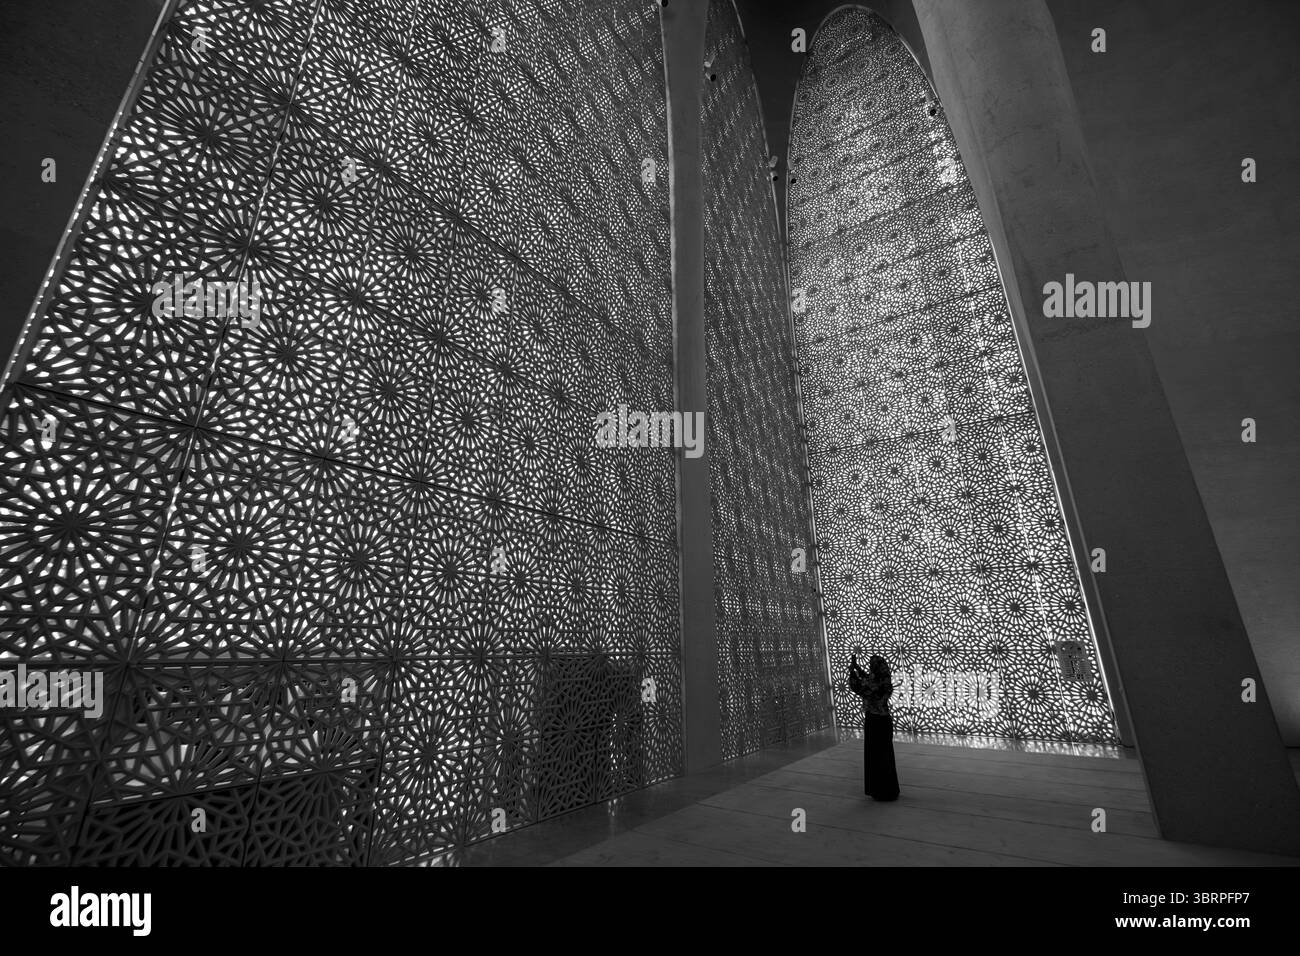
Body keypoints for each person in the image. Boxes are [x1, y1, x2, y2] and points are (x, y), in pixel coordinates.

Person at [849, 653, 900, 801]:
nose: (870, 668)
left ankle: (881, 792)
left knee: (875, 756)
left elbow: (858, 687)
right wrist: (857, 668)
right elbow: (868, 679)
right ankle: (889, 790)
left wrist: (852, 672)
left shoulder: (874, 683)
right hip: (884, 721)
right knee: (886, 755)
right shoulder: (884, 679)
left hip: (874, 721)